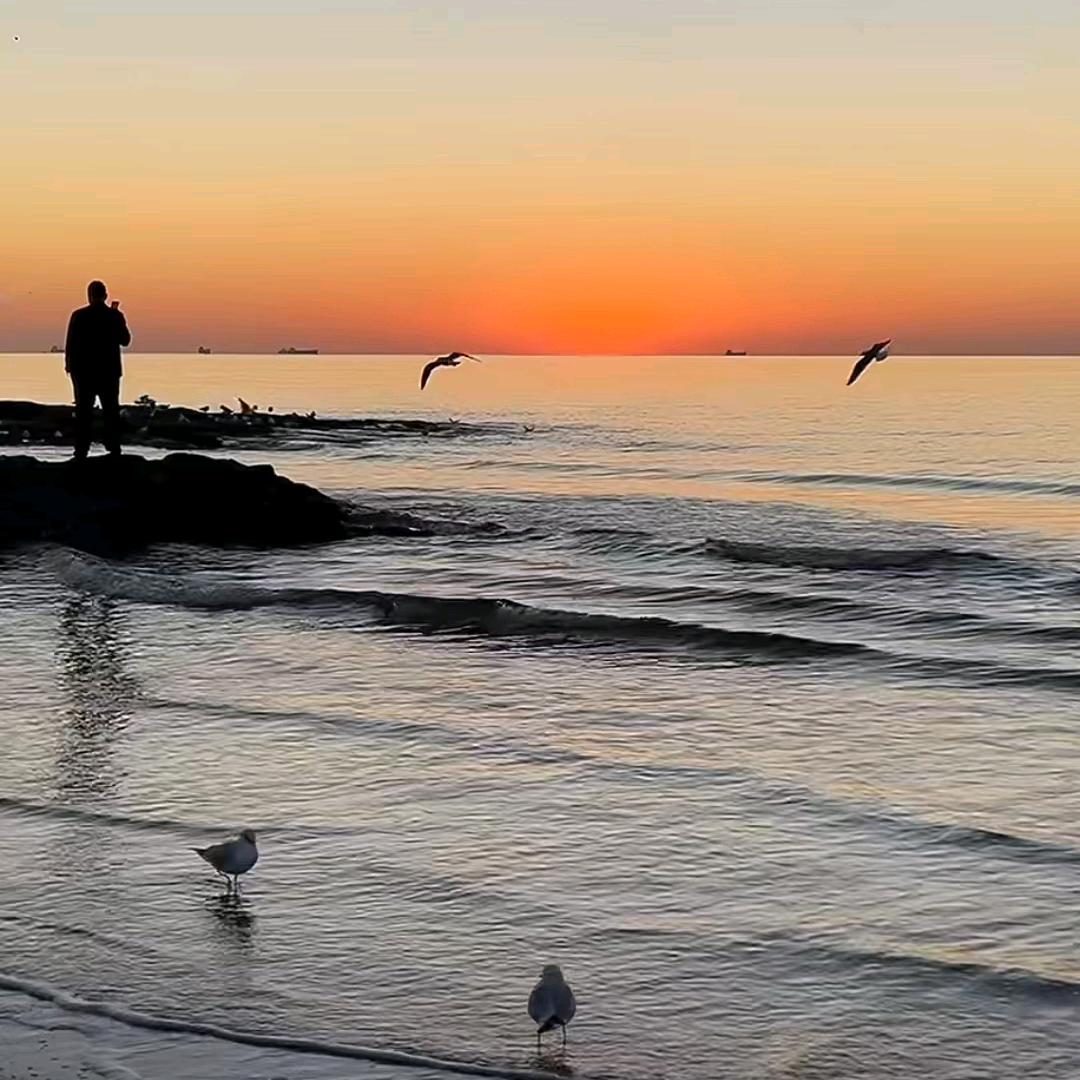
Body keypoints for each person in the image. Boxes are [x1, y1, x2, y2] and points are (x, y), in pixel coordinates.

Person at [64, 280, 131, 460]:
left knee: (83, 413)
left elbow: (70, 344)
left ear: (89, 295)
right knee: (111, 412)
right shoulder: (114, 316)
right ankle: (113, 449)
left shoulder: (78, 315)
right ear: (105, 295)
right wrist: (118, 317)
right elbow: (125, 340)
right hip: (108, 372)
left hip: (83, 372)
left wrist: (69, 365)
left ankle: (81, 451)